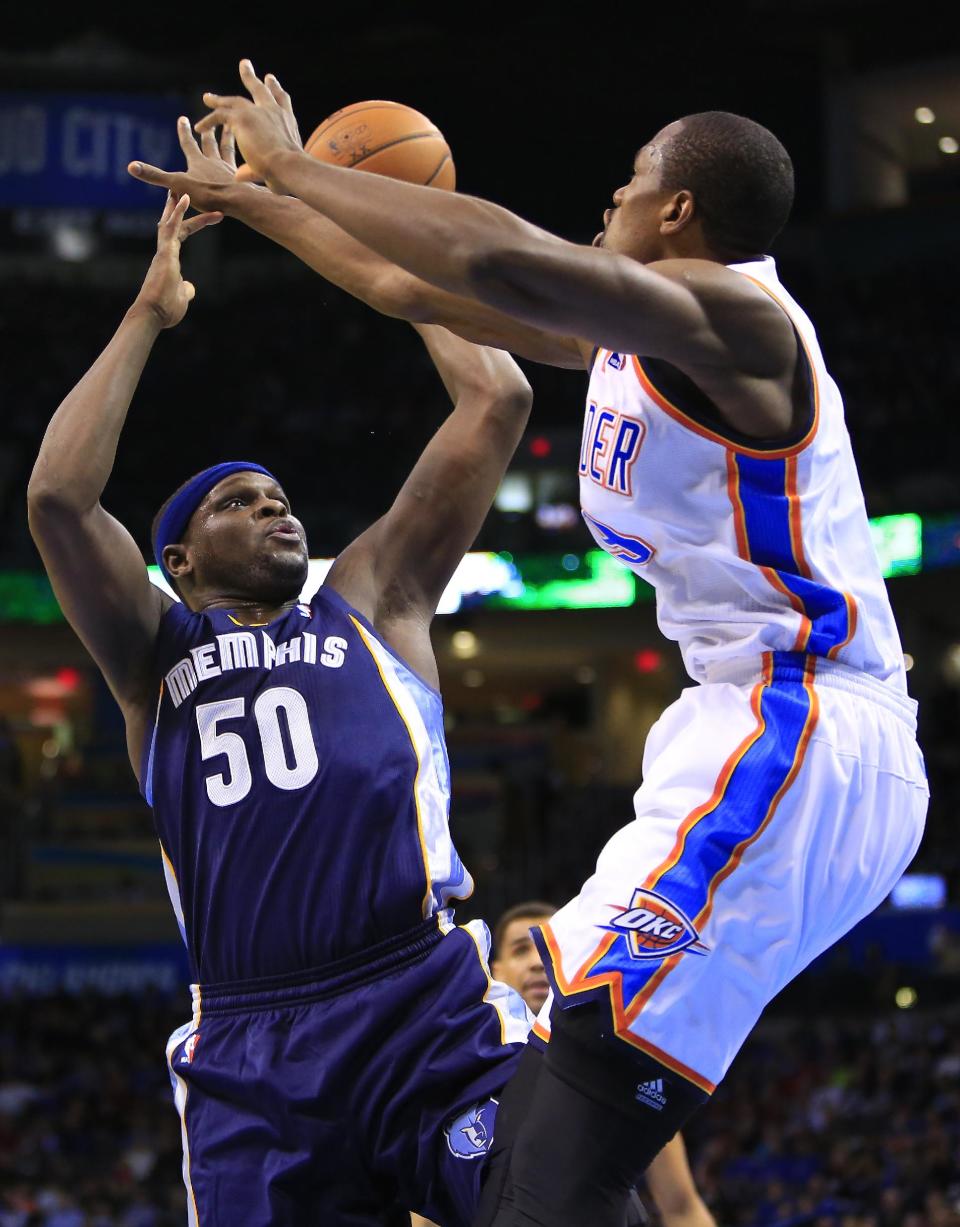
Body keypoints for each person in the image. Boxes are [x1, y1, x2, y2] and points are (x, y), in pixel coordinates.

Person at [131, 60, 931, 1225]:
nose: (609, 198)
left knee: (572, 1097)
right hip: (742, 732)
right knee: (544, 1080)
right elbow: (418, 286)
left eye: (629, 182)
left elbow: (499, 256)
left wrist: (304, 161)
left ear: (679, 213)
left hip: (804, 723)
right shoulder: (633, 340)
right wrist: (270, 204)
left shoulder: (741, 320)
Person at [27, 188, 540, 1226]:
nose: (274, 505)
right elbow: (57, 501)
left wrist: (400, 248)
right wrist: (146, 316)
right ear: (176, 561)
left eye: (279, 495)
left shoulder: (372, 598)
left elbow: (498, 401)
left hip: (421, 999)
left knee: (557, 1201)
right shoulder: (151, 655)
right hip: (255, 1048)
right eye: (237, 501)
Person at [492, 903, 715, 1227]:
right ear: (496, 970)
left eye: (553, 946)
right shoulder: (469, 1067)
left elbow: (681, 1207)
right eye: (521, 949)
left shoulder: (623, 1064)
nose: (539, 962)